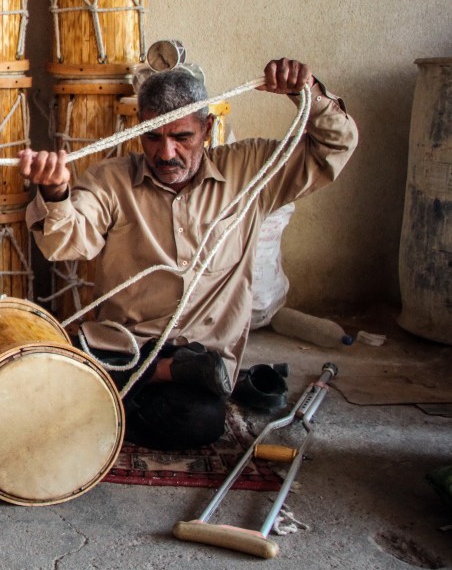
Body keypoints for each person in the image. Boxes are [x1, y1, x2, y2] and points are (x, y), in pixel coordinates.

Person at [18, 58, 358, 450]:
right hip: (124, 346)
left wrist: (307, 93)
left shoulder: (250, 171)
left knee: (199, 421)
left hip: (202, 352)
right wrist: (56, 192)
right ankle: (159, 373)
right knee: (33, 372)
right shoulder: (109, 179)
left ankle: (107, 397)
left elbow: (334, 147)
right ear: (138, 128)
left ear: (207, 128)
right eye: (153, 137)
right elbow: (64, 244)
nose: (166, 153)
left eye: (182, 137)